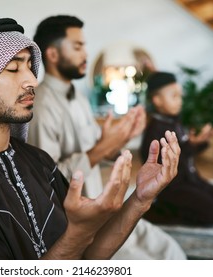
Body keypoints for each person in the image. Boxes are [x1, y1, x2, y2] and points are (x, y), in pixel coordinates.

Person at [0, 14, 180, 260]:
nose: (32, 79)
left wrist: (140, 198)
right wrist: (77, 231)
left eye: (28, 65)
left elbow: (87, 260)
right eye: (12, 68)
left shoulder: (37, 161)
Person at [27, 15, 186, 259]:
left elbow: (96, 152)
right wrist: (102, 147)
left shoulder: (78, 98)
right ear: (53, 54)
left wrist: (121, 139)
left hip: (104, 209)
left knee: (172, 252)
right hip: (77, 227)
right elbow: (47, 181)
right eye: (78, 46)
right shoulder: (40, 106)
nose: (86, 55)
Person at [140, 71, 213, 226]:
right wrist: (191, 144)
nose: (180, 101)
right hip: (173, 188)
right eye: (174, 96)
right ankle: (160, 211)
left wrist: (199, 142)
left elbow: (185, 151)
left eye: (180, 96)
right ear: (157, 100)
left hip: (190, 180)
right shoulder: (155, 130)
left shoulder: (174, 121)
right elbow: (168, 163)